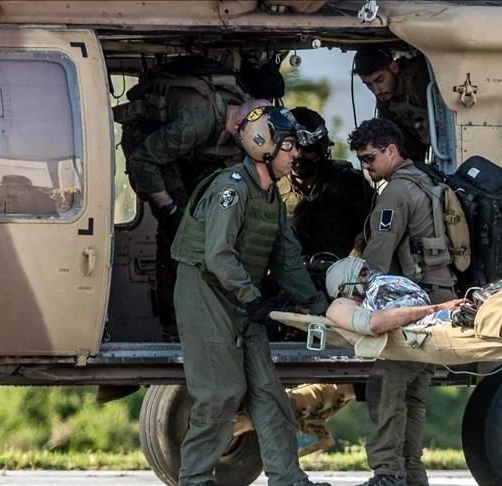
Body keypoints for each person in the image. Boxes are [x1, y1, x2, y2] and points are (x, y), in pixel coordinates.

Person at [170, 102, 331, 486]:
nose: (295, 154)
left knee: (268, 391)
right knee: (221, 392)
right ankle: (195, 479)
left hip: (242, 299)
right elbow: (218, 255)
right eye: (289, 145)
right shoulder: (231, 188)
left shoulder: (270, 197)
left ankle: (288, 478)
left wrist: (318, 307)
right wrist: (252, 298)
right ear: (264, 146)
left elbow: (287, 259)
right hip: (206, 293)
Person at [347, 118, 458, 486]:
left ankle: (388, 473)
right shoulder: (426, 181)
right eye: (361, 160)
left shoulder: (395, 191)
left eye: (369, 158)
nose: (366, 166)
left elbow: (378, 257)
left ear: (391, 151)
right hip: (438, 298)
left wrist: (353, 295)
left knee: (386, 386)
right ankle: (411, 474)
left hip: (414, 305)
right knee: (412, 395)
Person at [122, 59, 248, 341]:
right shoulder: (196, 123)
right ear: (240, 125)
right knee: (177, 235)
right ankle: (175, 329)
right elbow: (143, 160)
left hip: (189, 156)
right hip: (154, 151)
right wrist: (169, 207)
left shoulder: (241, 118)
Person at [278, 106, 374, 258]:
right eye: (292, 148)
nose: (298, 155)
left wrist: (354, 257)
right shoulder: (273, 187)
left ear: (321, 150)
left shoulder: (347, 180)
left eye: (308, 149)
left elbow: (373, 225)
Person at [323, 256, 462, 337]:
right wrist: (437, 308)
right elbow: (374, 323)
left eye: (367, 273)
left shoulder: (372, 293)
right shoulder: (338, 305)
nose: (368, 278)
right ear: (342, 289)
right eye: (362, 275)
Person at [353, 47, 431, 163]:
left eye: (380, 80)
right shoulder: (386, 98)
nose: (377, 90)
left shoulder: (420, 82)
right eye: (369, 85)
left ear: (394, 67)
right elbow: (394, 139)